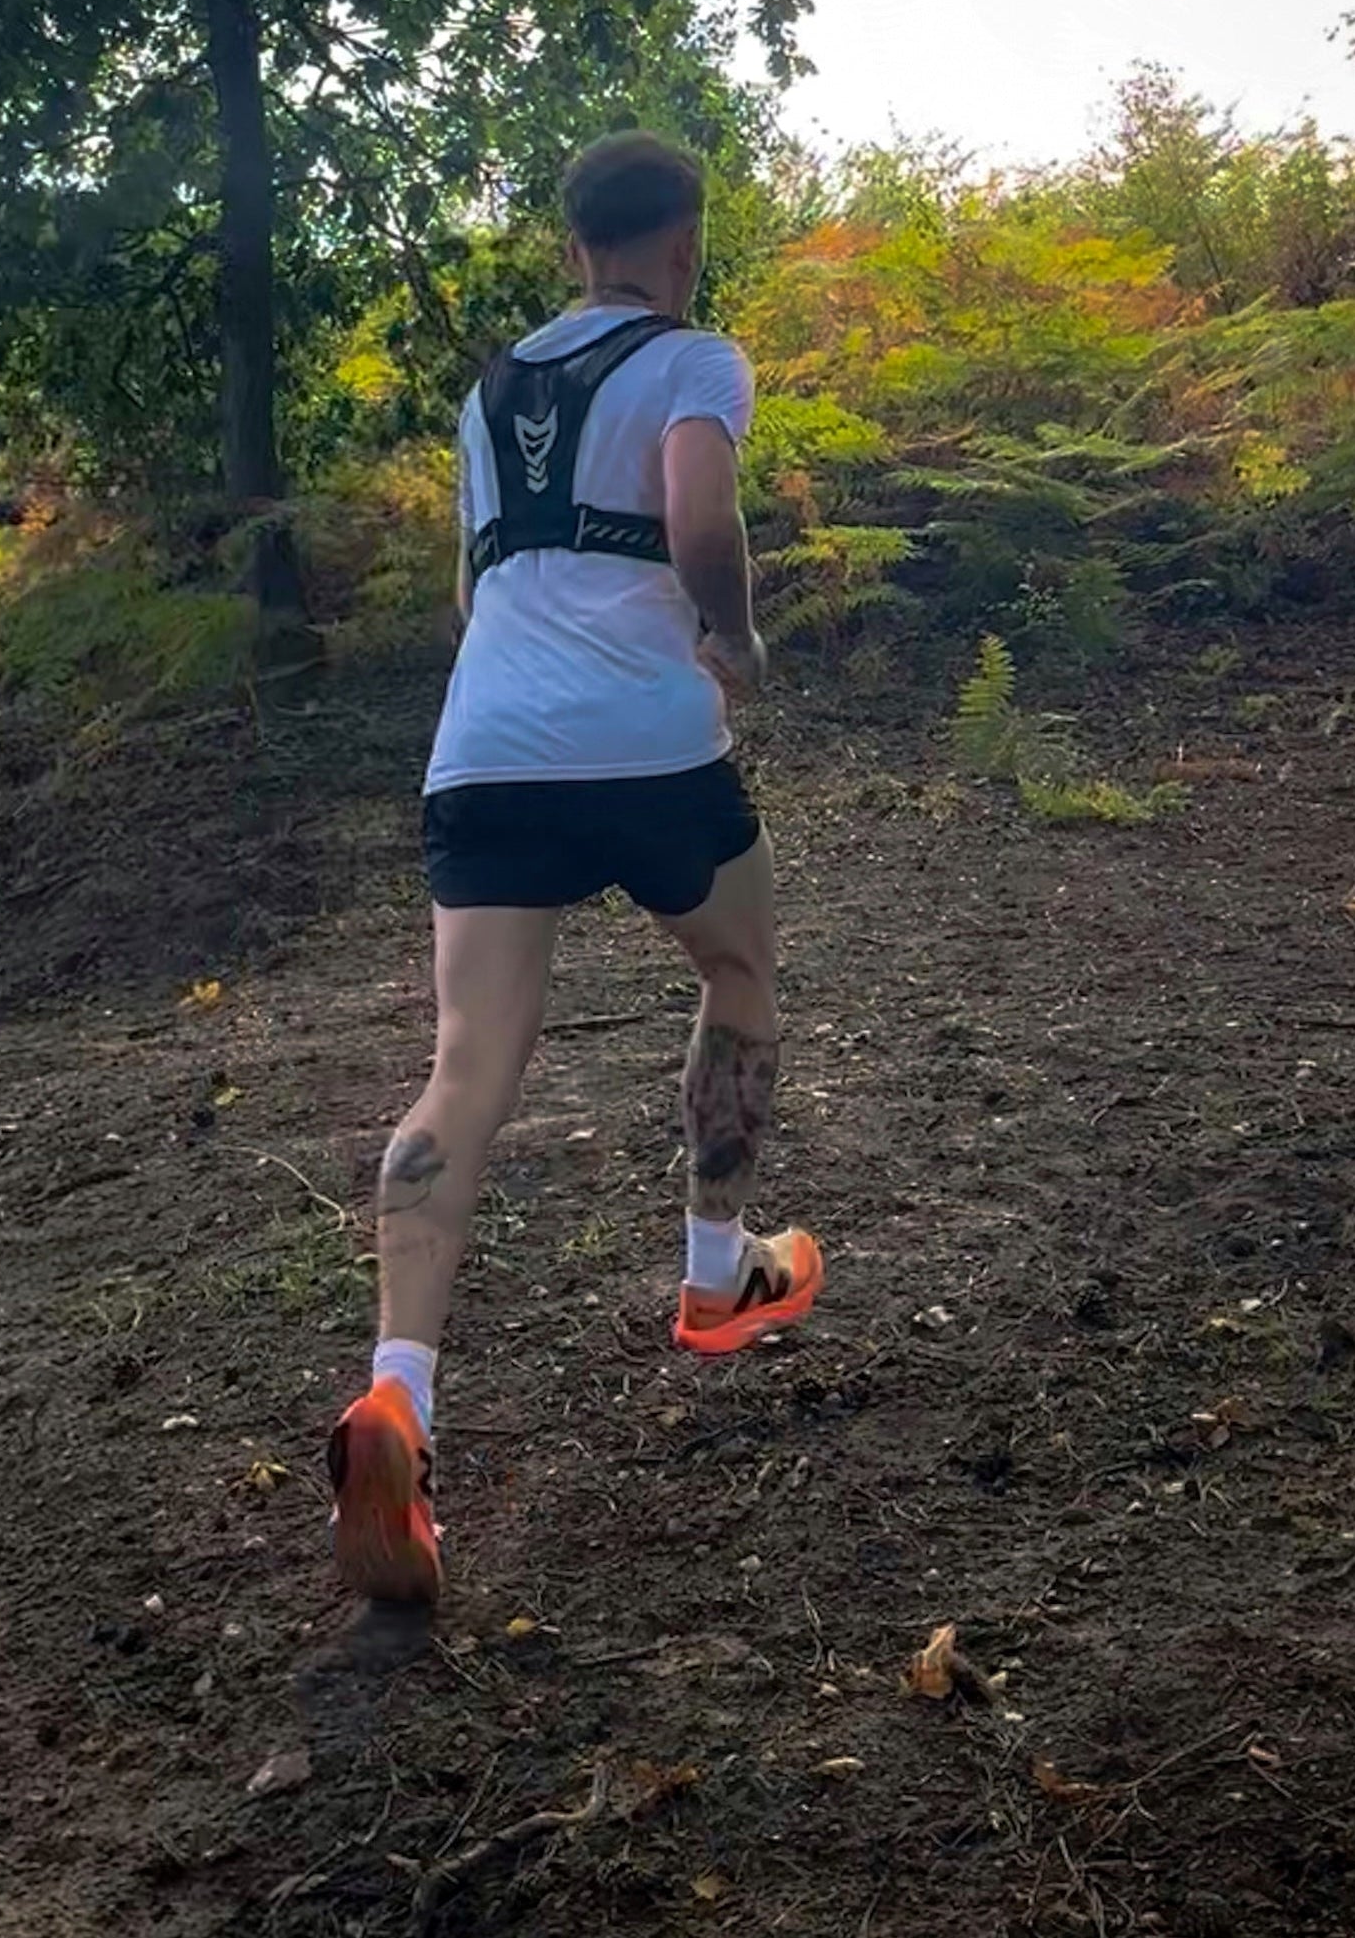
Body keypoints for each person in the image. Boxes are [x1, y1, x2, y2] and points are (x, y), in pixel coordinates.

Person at [326, 130, 824, 1609]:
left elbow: (474, 583)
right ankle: (715, 1269)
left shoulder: (495, 386)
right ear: (681, 242)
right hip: (646, 744)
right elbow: (698, 520)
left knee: (463, 1066)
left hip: (484, 748)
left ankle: (398, 1394)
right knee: (737, 969)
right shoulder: (693, 358)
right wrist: (731, 640)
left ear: (570, 248)